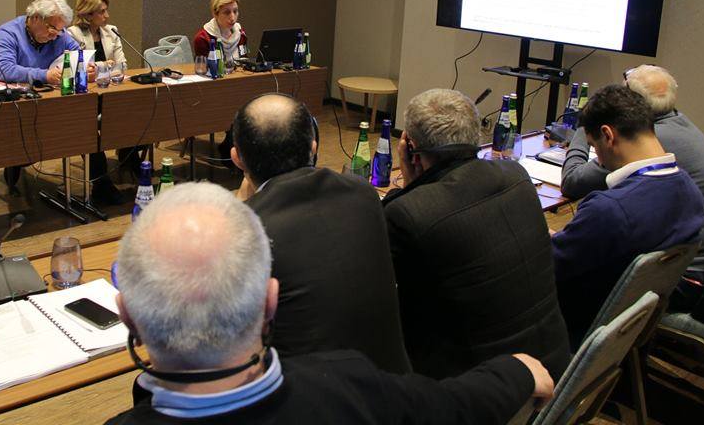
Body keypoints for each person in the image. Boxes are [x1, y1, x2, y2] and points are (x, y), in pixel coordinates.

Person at [107, 182, 554, 424]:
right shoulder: (352, 383)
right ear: (271, 302)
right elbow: (452, 406)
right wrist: (515, 371)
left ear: (128, 316)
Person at [382, 88, 570, 381]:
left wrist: (409, 186)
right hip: (556, 366)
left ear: (410, 148)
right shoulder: (516, 176)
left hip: (481, 389)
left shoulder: (409, 213)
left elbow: (374, 290)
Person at [230, 93, 410, 373]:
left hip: (310, 393)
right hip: (396, 383)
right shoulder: (362, 193)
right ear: (313, 147)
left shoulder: (246, 232)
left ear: (237, 159)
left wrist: (242, 207)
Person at [553, 84, 704, 347]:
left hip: (570, 330)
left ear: (607, 135)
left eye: (594, 147)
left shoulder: (609, 209)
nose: (599, 160)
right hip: (624, 325)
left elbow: (547, 270)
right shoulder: (690, 192)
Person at [0, 0, 117, 201]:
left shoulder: (59, 34)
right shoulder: (8, 33)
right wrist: (45, 75)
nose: (56, 35)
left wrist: (87, 68)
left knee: (85, 127)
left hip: (53, 101)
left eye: (60, 30)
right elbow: (5, 70)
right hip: (18, 105)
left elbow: (78, 55)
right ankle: (13, 169)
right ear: (35, 18)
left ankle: (102, 185)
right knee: (27, 145)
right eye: (52, 28)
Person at [68, 0, 144, 186]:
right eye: (101, 12)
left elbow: (123, 66)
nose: (107, 16)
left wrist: (99, 68)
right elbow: (79, 68)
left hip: (112, 91)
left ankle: (129, 156)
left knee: (138, 110)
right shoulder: (73, 34)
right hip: (87, 95)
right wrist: (106, 65)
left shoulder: (112, 31)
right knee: (90, 125)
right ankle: (102, 178)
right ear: (88, 14)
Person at [192, 0, 247, 160]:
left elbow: (243, 60)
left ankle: (239, 149)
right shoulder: (203, 38)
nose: (232, 17)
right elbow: (203, 71)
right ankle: (231, 149)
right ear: (215, 14)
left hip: (237, 86)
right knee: (240, 109)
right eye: (227, 12)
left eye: (235, 11)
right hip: (213, 89)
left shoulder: (240, 34)